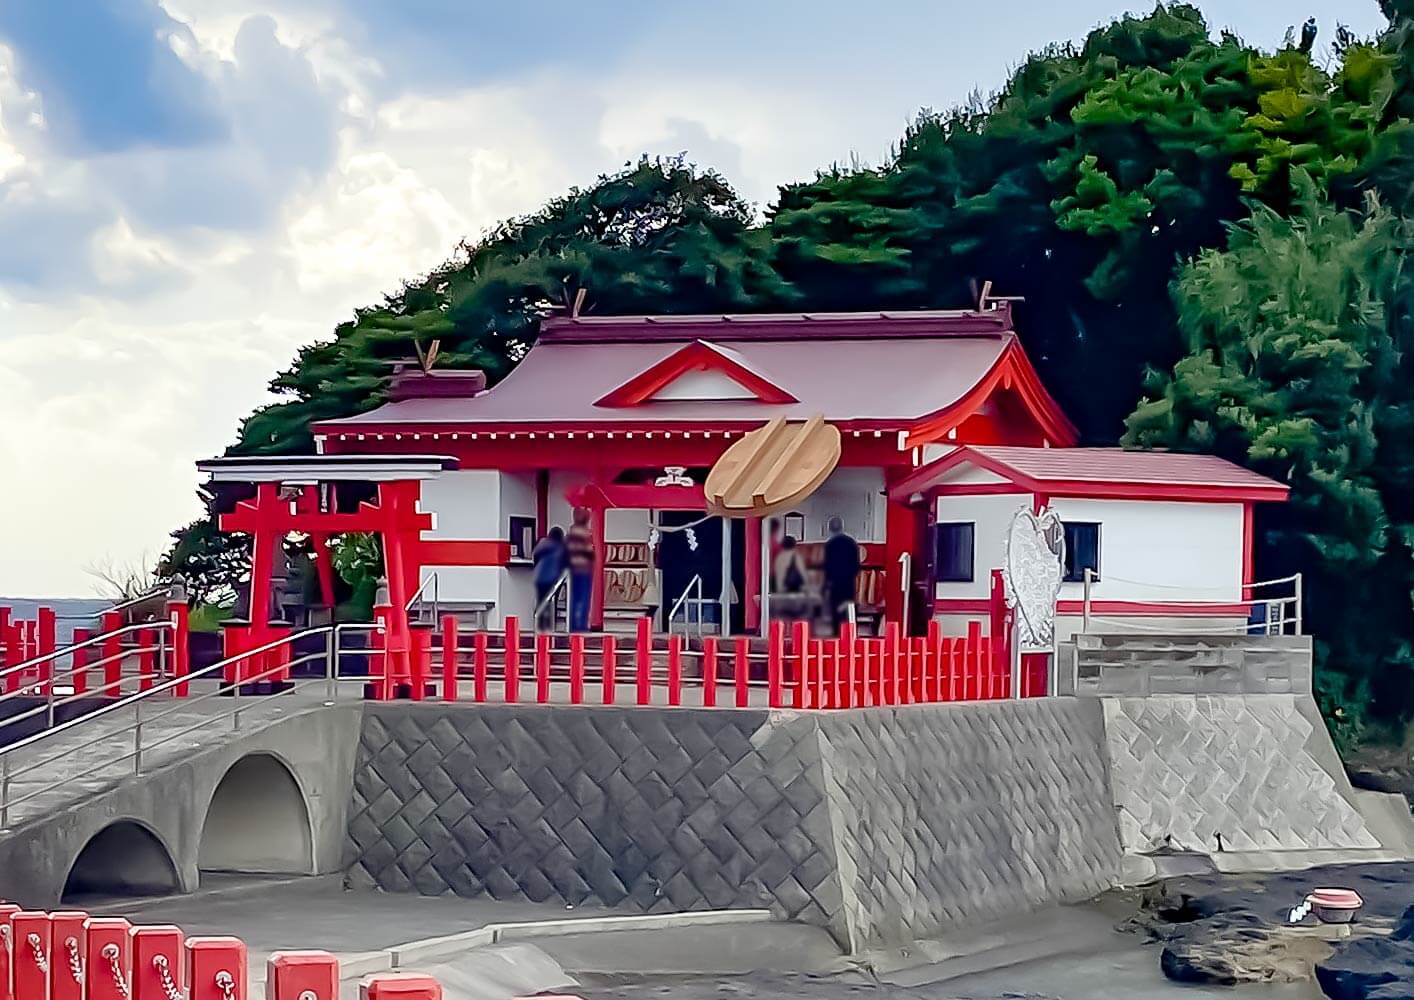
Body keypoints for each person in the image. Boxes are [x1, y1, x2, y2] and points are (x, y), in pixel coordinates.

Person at [823, 515, 860, 635]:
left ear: (830, 528)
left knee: (836, 609)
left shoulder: (830, 545)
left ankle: (837, 634)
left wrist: (827, 583)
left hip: (835, 582)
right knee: (849, 606)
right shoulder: (851, 543)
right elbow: (856, 564)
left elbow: (827, 565)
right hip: (849, 581)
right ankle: (851, 632)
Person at [566, 507, 595, 632]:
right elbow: (589, 552)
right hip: (584, 568)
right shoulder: (584, 532)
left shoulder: (571, 532)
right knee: (583, 599)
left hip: (573, 568)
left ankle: (573, 625)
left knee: (574, 599)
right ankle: (581, 626)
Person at [531, 526, 566, 630]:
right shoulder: (560, 547)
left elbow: (535, 558)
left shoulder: (541, 543)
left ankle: (539, 626)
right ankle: (550, 627)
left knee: (540, 602)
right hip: (552, 578)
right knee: (551, 603)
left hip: (538, 578)